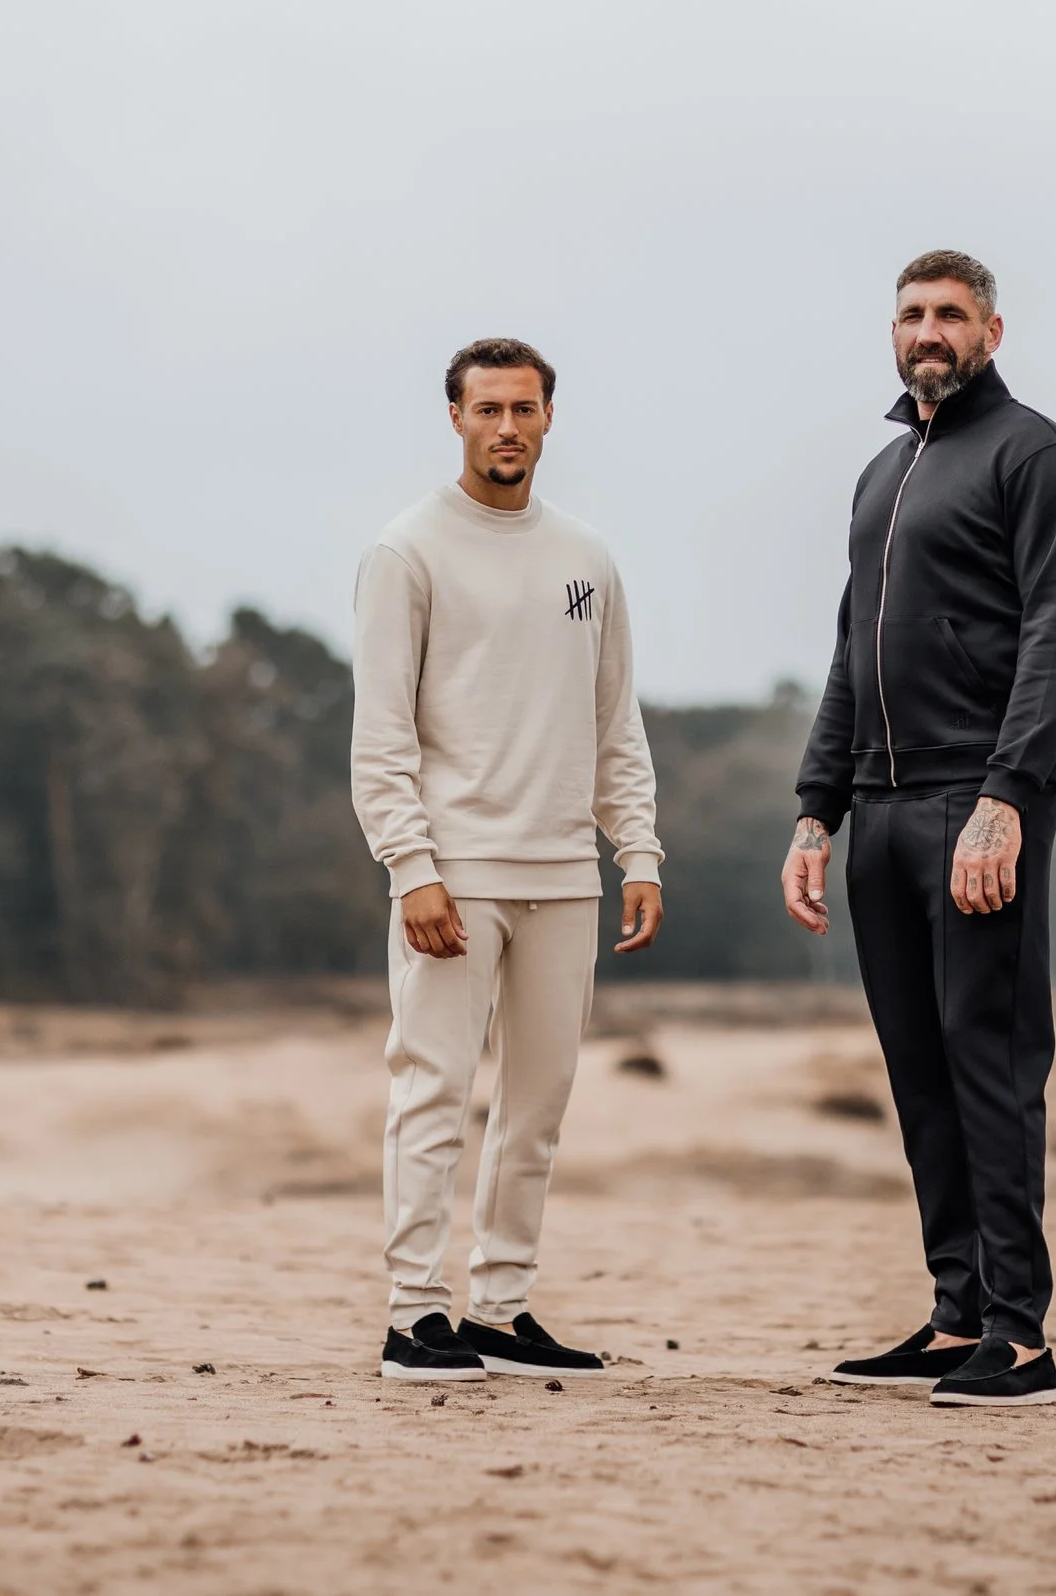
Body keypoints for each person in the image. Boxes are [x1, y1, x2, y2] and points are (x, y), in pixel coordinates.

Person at [782, 251, 1056, 1407]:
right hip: (877, 808)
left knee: (991, 1065)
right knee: (920, 1073)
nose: (930, 330)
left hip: (978, 801)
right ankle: (954, 1309)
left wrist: (1005, 798)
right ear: (892, 330)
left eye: (951, 314)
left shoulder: (1038, 457)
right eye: (912, 314)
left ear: (993, 329)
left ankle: (1018, 1331)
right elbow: (846, 652)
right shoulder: (883, 471)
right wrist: (816, 807)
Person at [352, 337, 666, 1382]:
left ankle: (498, 1306)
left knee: (536, 1108)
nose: (506, 427)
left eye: (524, 409)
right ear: (455, 417)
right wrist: (410, 865)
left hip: (563, 876)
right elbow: (381, 734)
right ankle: (413, 1313)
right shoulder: (408, 550)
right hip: (456, 873)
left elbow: (613, 719)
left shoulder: (587, 556)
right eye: (487, 409)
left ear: (546, 418)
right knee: (431, 1091)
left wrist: (641, 850)